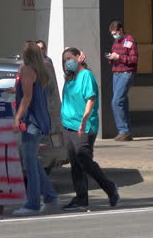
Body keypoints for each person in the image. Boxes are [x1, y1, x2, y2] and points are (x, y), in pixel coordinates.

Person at [61, 47, 120, 211]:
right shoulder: (70, 78)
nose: (67, 62)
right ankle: (81, 199)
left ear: (79, 58)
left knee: (84, 160)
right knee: (75, 164)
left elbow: (91, 100)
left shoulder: (86, 75)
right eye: (65, 59)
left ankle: (110, 188)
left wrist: (83, 121)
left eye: (70, 58)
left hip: (84, 127)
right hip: (68, 126)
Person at [12, 41, 59, 216]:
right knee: (33, 160)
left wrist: (17, 117)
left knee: (29, 162)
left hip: (31, 122)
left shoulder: (26, 70)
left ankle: (33, 203)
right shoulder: (42, 71)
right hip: (41, 121)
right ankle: (50, 196)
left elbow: (27, 97)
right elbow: (29, 92)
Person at [106, 21, 138, 141]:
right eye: (112, 34)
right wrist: (111, 58)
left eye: (115, 33)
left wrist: (119, 57)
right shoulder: (115, 42)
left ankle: (123, 130)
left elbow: (134, 59)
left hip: (126, 73)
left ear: (121, 30)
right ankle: (127, 132)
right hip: (116, 74)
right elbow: (115, 59)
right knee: (122, 102)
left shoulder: (129, 40)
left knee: (116, 101)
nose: (114, 36)